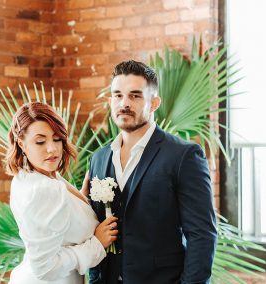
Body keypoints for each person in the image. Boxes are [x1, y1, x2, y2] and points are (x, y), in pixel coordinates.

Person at [87, 60, 217, 284]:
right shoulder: (98, 159)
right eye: (118, 95)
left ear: (154, 103)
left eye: (135, 96)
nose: (124, 103)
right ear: (110, 101)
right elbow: (94, 228)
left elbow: (202, 236)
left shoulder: (184, 156)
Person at [6, 102, 118, 284]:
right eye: (40, 141)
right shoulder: (44, 190)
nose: (52, 148)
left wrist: (81, 199)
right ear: (22, 144)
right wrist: (96, 244)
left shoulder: (29, 176)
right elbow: (45, 269)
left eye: (57, 138)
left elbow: (60, 226)